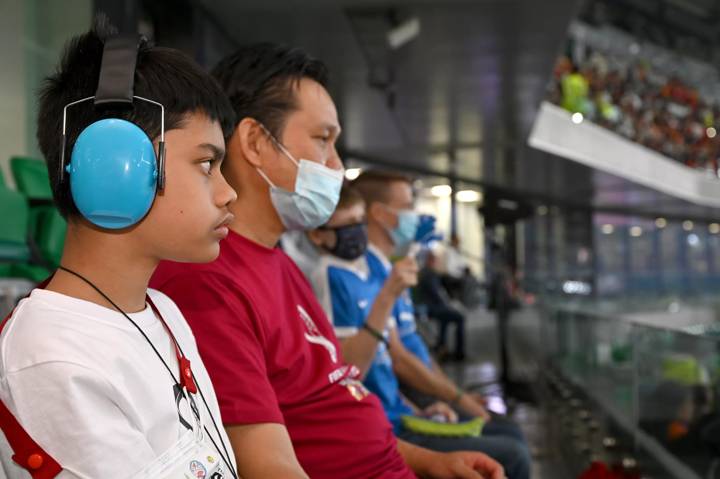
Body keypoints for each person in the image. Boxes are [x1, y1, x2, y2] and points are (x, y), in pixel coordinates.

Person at [151, 43, 504, 479]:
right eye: (323, 140)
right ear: (257, 142)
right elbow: (265, 464)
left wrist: (432, 461)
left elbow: (340, 400)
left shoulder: (281, 265)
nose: (336, 165)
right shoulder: (208, 282)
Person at [0, 18, 238, 478]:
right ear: (115, 167)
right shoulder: (51, 358)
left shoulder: (163, 312)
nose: (229, 194)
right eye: (207, 163)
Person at [310, 176, 529, 479]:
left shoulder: (376, 272)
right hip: (385, 422)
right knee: (512, 452)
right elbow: (360, 368)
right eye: (408, 206)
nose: (415, 214)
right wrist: (456, 398)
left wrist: (429, 404)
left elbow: (397, 352)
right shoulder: (338, 277)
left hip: (402, 408)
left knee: (510, 438)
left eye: (359, 222)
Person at [418, 250, 467, 360]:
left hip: (433, 306)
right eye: (436, 261)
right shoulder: (429, 274)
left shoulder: (427, 273)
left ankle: (442, 345)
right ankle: (459, 352)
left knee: (445, 319)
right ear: (431, 260)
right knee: (460, 318)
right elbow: (436, 293)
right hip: (433, 308)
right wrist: (448, 304)